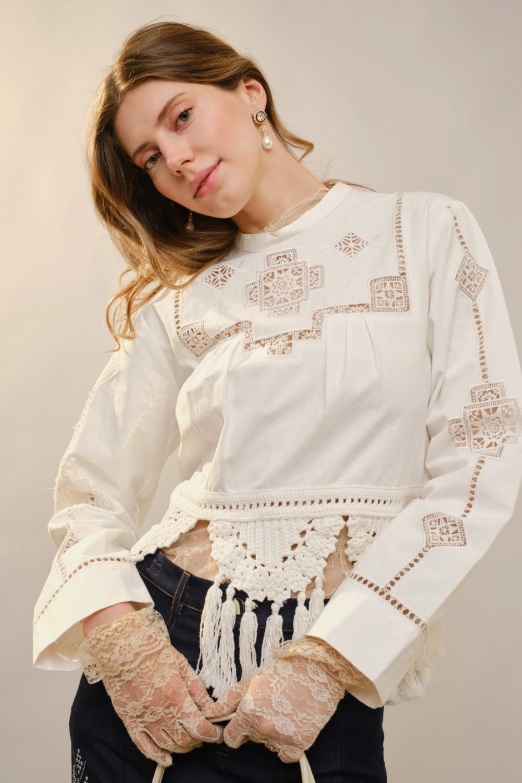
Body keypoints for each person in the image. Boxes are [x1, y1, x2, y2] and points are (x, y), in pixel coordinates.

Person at [33, 19, 522, 783]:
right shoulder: (178, 296)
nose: (175, 158)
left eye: (182, 116)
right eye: (150, 158)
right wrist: (126, 645)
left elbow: (481, 461)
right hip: (164, 664)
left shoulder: (423, 231)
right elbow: (88, 493)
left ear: (250, 93)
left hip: (326, 661)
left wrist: (328, 659)